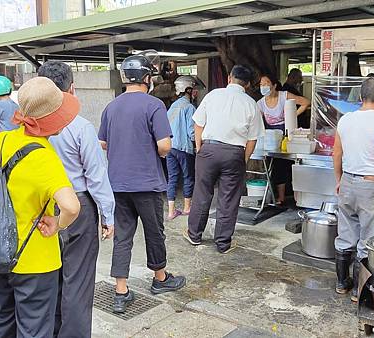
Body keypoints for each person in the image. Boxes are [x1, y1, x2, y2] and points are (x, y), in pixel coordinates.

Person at [0, 77, 81, 338]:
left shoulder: (1, 141)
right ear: (54, 121)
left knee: (2, 318)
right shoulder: (44, 157)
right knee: (34, 328)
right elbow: (71, 206)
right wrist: (58, 224)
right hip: (34, 260)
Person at [99, 54, 186, 314]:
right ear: (147, 78)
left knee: (123, 236)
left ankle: (120, 291)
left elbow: (102, 143)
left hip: (118, 183)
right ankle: (160, 279)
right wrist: (156, 151)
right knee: (154, 232)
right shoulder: (154, 105)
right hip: (147, 183)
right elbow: (164, 145)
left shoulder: (111, 107)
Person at [39, 61, 115, 338]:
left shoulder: (28, 126)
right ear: (71, 88)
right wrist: (108, 216)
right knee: (78, 280)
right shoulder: (80, 126)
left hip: (40, 206)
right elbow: (97, 177)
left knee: (49, 276)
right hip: (78, 206)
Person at [333, 77, 374, 303]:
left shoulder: (346, 120)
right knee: (371, 238)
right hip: (371, 186)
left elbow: (336, 154)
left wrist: (339, 179)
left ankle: (342, 283)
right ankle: (359, 291)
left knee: (346, 233)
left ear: (361, 96)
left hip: (348, 183)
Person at [185, 65, 265, 253]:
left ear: (230, 78)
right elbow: (252, 140)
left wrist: (199, 147)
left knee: (202, 193)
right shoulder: (251, 104)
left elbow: (198, 124)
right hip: (234, 153)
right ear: (247, 84)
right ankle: (222, 243)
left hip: (208, 149)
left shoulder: (213, 95)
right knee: (228, 199)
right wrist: (242, 159)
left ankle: (194, 235)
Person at [258, 73, 310, 205]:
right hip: (271, 138)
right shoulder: (260, 104)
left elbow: (305, 102)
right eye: (261, 84)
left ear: (274, 85)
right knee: (275, 165)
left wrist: (291, 116)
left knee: (288, 164)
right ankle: (279, 198)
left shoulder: (284, 95)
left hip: (287, 134)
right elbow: (257, 122)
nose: (263, 87)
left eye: (266, 84)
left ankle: (295, 197)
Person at [166, 75, 197, 220]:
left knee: (172, 178)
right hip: (184, 148)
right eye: (194, 89)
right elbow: (192, 131)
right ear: (188, 89)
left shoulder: (173, 106)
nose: (196, 92)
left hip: (170, 147)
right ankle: (187, 208)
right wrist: (198, 144)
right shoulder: (189, 107)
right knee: (188, 177)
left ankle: (171, 211)